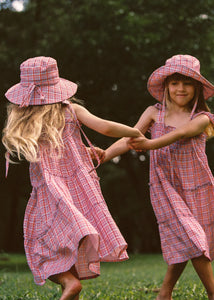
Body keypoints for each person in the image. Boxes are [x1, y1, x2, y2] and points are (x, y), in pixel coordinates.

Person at [2, 56, 142, 300]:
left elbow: (50, 153)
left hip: (50, 191)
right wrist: (134, 131)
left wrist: (84, 151)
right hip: (81, 188)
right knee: (73, 242)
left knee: (41, 245)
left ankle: (68, 281)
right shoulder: (71, 110)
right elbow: (106, 128)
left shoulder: (28, 121)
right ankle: (71, 286)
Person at [104, 55, 214, 300]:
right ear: (166, 86)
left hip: (198, 187)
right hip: (165, 187)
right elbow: (130, 138)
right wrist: (105, 155)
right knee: (192, 239)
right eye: (175, 83)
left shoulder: (202, 118)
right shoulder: (153, 113)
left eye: (187, 83)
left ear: (196, 87)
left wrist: (151, 143)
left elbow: (181, 133)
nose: (180, 89)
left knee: (189, 240)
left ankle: (164, 293)